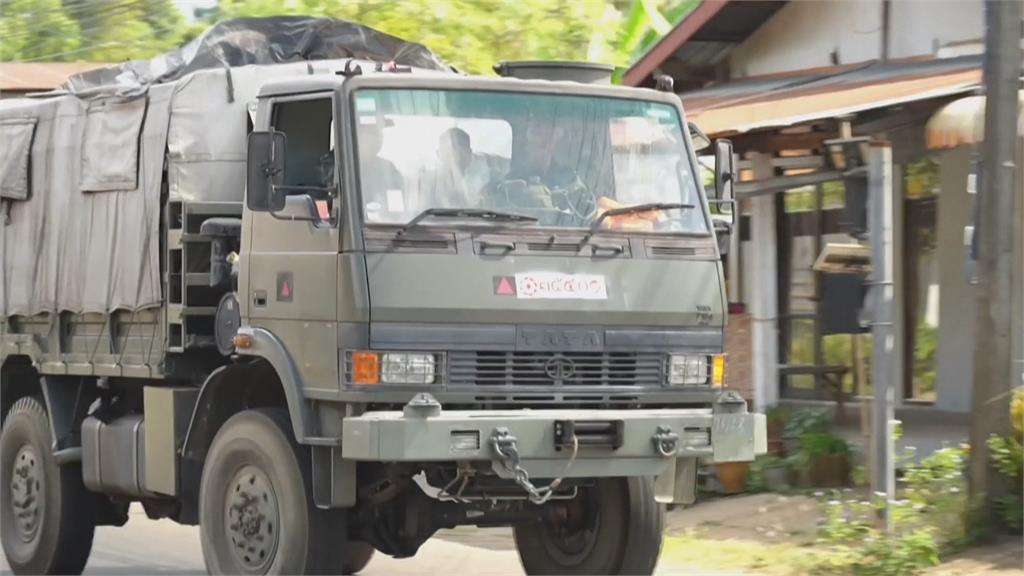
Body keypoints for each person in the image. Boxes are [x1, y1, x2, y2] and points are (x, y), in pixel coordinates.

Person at [357, 121, 405, 221]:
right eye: (373, 134)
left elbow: (397, 202)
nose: (379, 139)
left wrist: (391, 217)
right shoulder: (334, 165)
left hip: (383, 225)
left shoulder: (388, 167)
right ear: (358, 136)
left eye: (380, 134)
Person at [436, 127, 493, 207]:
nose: (455, 156)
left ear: (469, 154)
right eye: (450, 151)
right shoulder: (429, 183)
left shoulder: (487, 179)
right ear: (439, 154)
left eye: (460, 149)